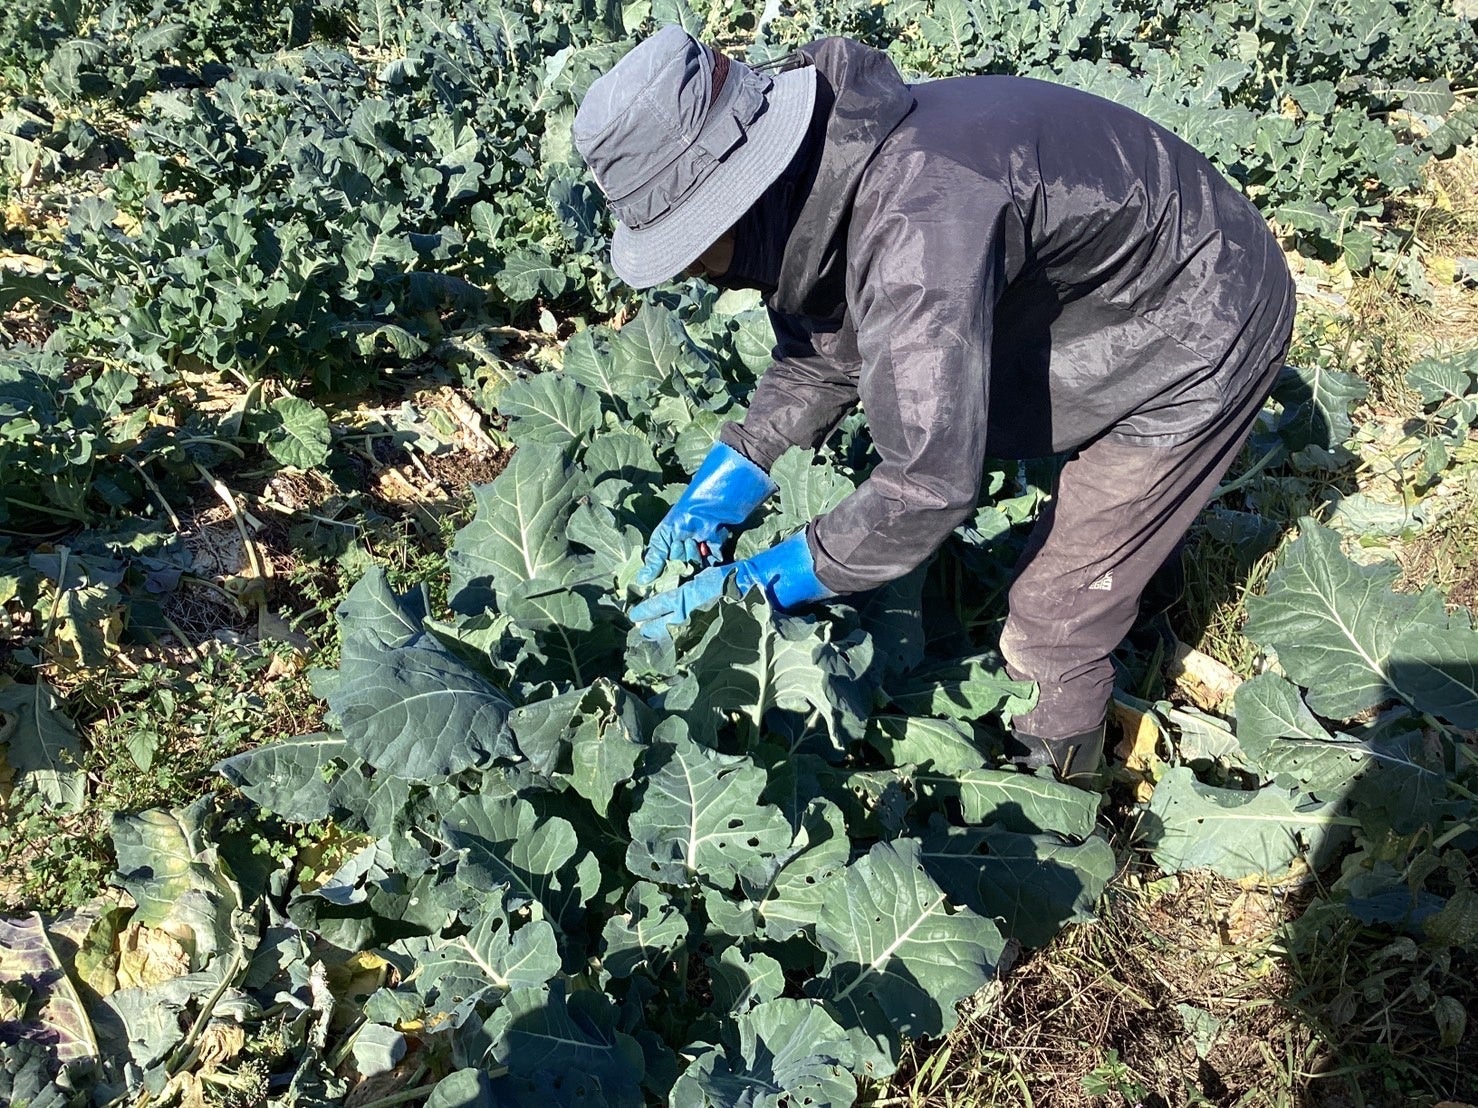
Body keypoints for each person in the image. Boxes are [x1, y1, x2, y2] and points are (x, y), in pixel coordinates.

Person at [571, 26, 1295, 784]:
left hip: (1202, 315)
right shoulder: (821, 180)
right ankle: (1146, 611)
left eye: (688, 241)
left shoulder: (919, 223)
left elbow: (927, 485)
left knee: (1052, 619)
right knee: (1096, 539)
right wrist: (722, 490)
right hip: (1112, 293)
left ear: (740, 197)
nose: (689, 267)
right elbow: (820, 359)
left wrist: (756, 586)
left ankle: (1071, 810)